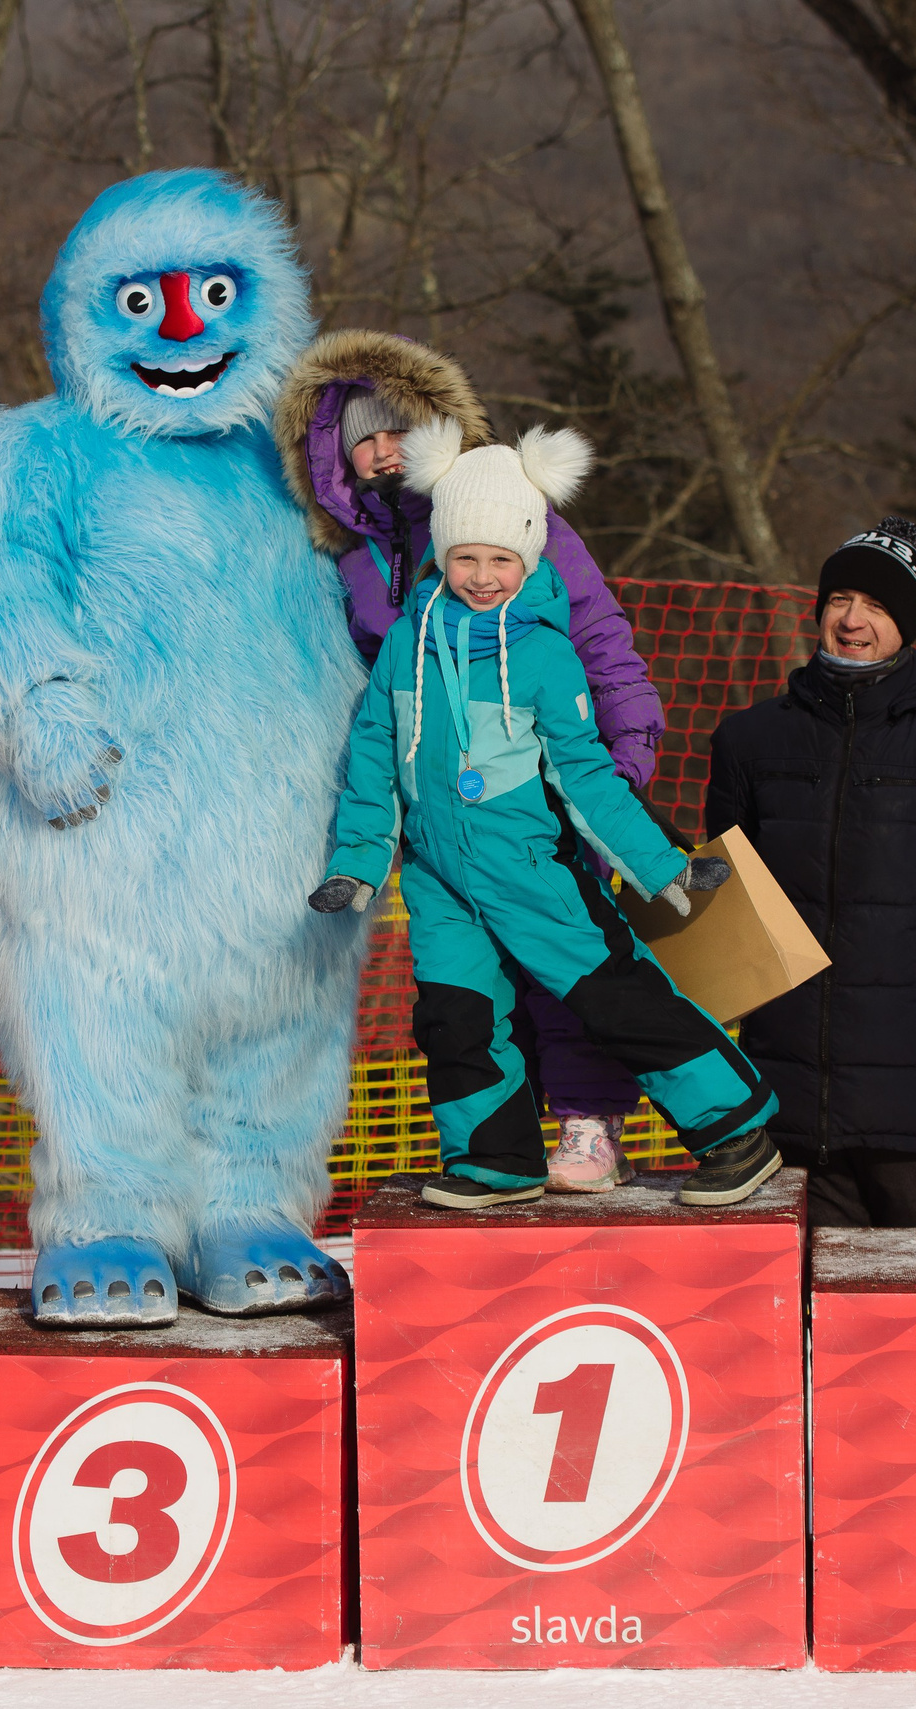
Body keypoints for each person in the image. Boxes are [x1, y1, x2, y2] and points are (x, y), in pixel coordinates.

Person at [312, 419, 781, 1210]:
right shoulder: (407, 644)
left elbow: (587, 776)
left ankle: (736, 1126)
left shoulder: (542, 650)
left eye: (502, 559)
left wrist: (657, 862)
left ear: (529, 557)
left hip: (533, 864)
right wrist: (357, 861)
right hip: (438, 877)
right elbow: (371, 756)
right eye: (467, 556)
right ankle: (494, 1156)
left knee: (612, 998)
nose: (484, 575)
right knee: (456, 1018)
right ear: (443, 551)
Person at [275, 330, 672, 1193]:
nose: (383, 454)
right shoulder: (351, 563)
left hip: (543, 787)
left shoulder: (505, 515)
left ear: (435, 430)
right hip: (441, 815)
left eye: (396, 431)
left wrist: (626, 750)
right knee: (465, 989)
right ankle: (502, 1139)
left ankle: (588, 1125)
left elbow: (599, 633)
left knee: (566, 964)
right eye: (362, 442)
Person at [705, 517, 916, 1228]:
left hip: (912, 1096)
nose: (853, 620)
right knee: (787, 1311)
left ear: (907, 622)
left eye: (878, 606)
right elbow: (730, 888)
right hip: (779, 1087)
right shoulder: (750, 738)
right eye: (841, 599)